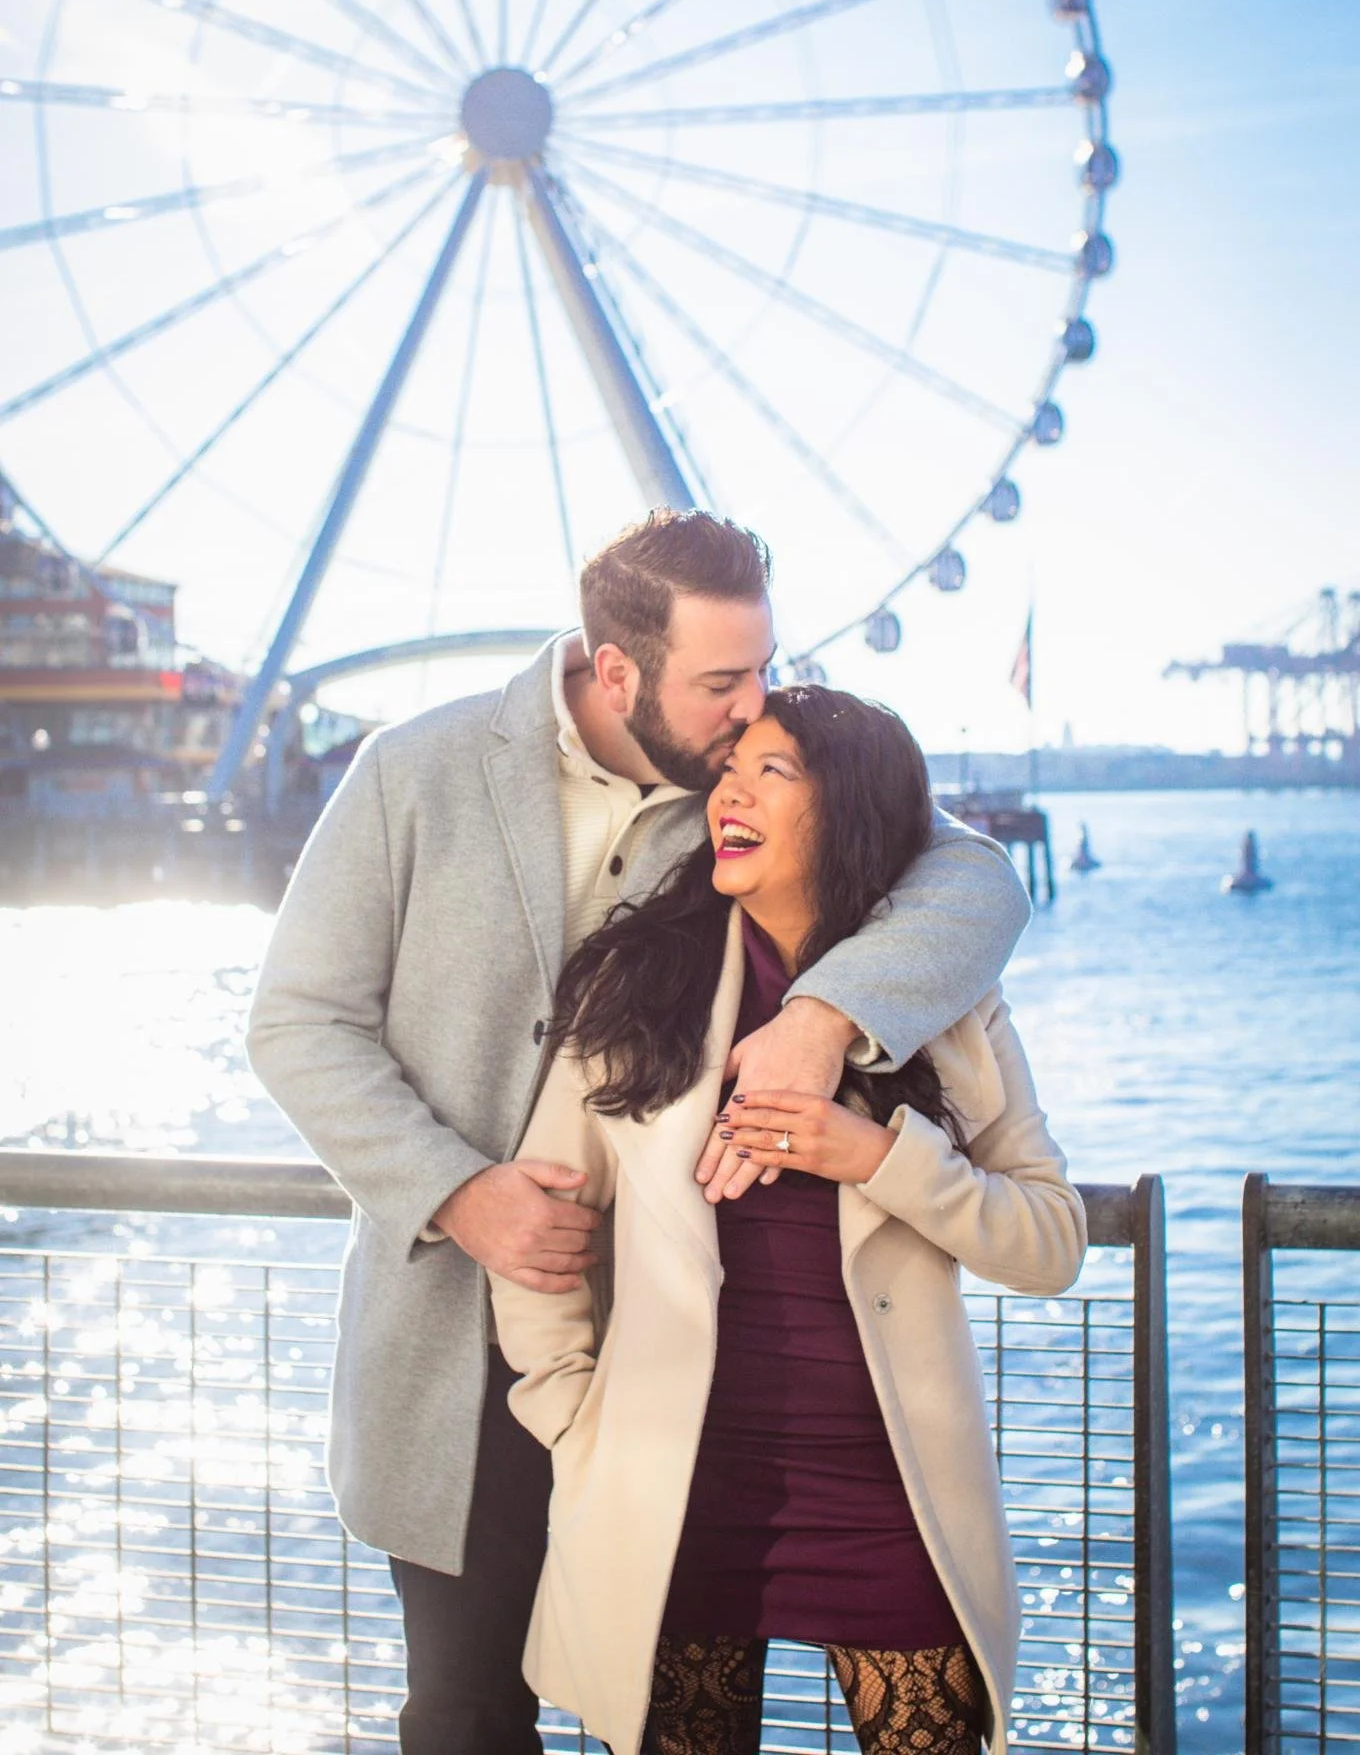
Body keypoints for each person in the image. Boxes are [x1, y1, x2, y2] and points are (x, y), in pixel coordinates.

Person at [246, 511, 1032, 1755]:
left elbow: (978, 881)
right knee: (463, 1714)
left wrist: (827, 1016)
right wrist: (458, 1192)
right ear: (617, 670)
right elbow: (297, 1025)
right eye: (721, 681)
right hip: (464, 1347)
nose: (751, 708)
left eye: (763, 669)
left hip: (684, 1365)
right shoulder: (413, 771)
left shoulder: (745, 789)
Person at [492, 686, 1085, 1755]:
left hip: (894, 1500)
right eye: (729, 770)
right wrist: (569, 1419)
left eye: (775, 771)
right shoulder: (634, 991)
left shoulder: (949, 1007)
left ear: (851, 811)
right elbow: (542, 1222)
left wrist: (881, 1158)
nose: (731, 790)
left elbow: (1050, 1241)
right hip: (674, 1490)